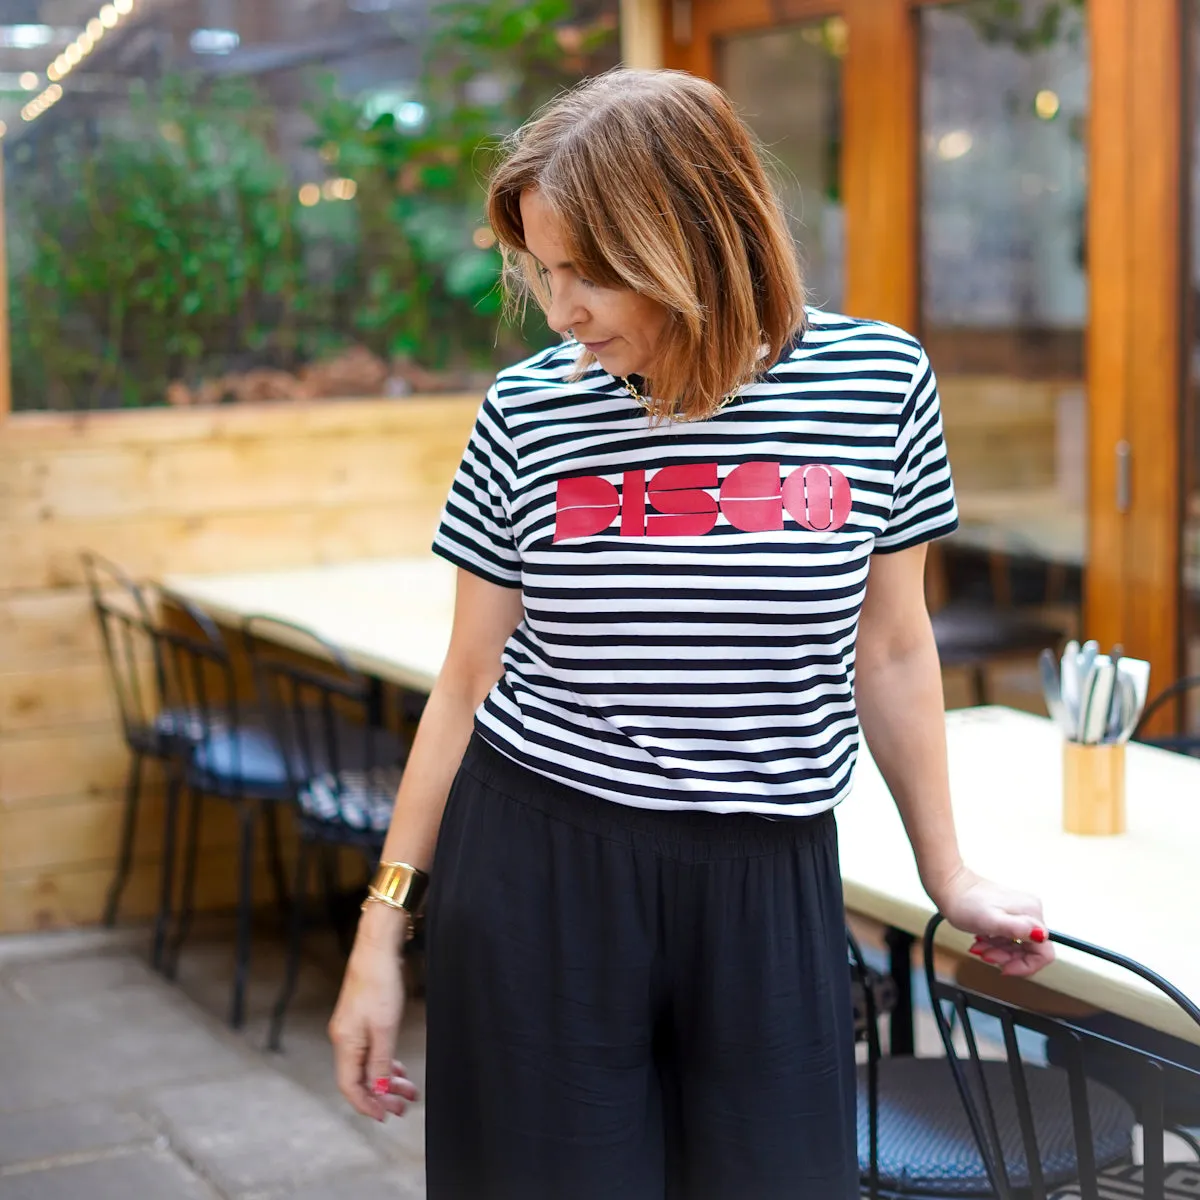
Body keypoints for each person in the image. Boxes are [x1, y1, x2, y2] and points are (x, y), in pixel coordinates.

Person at [329, 67, 1054, 1200]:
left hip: (770, 881)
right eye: (541, 270)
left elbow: (895, 649)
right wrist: (382, 934)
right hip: (545, 867)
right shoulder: (529, 413)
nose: (558, 310)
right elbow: (468, 681)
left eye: (586, 273)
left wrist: (945, 870)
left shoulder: (878, 383)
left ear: (691, 241)